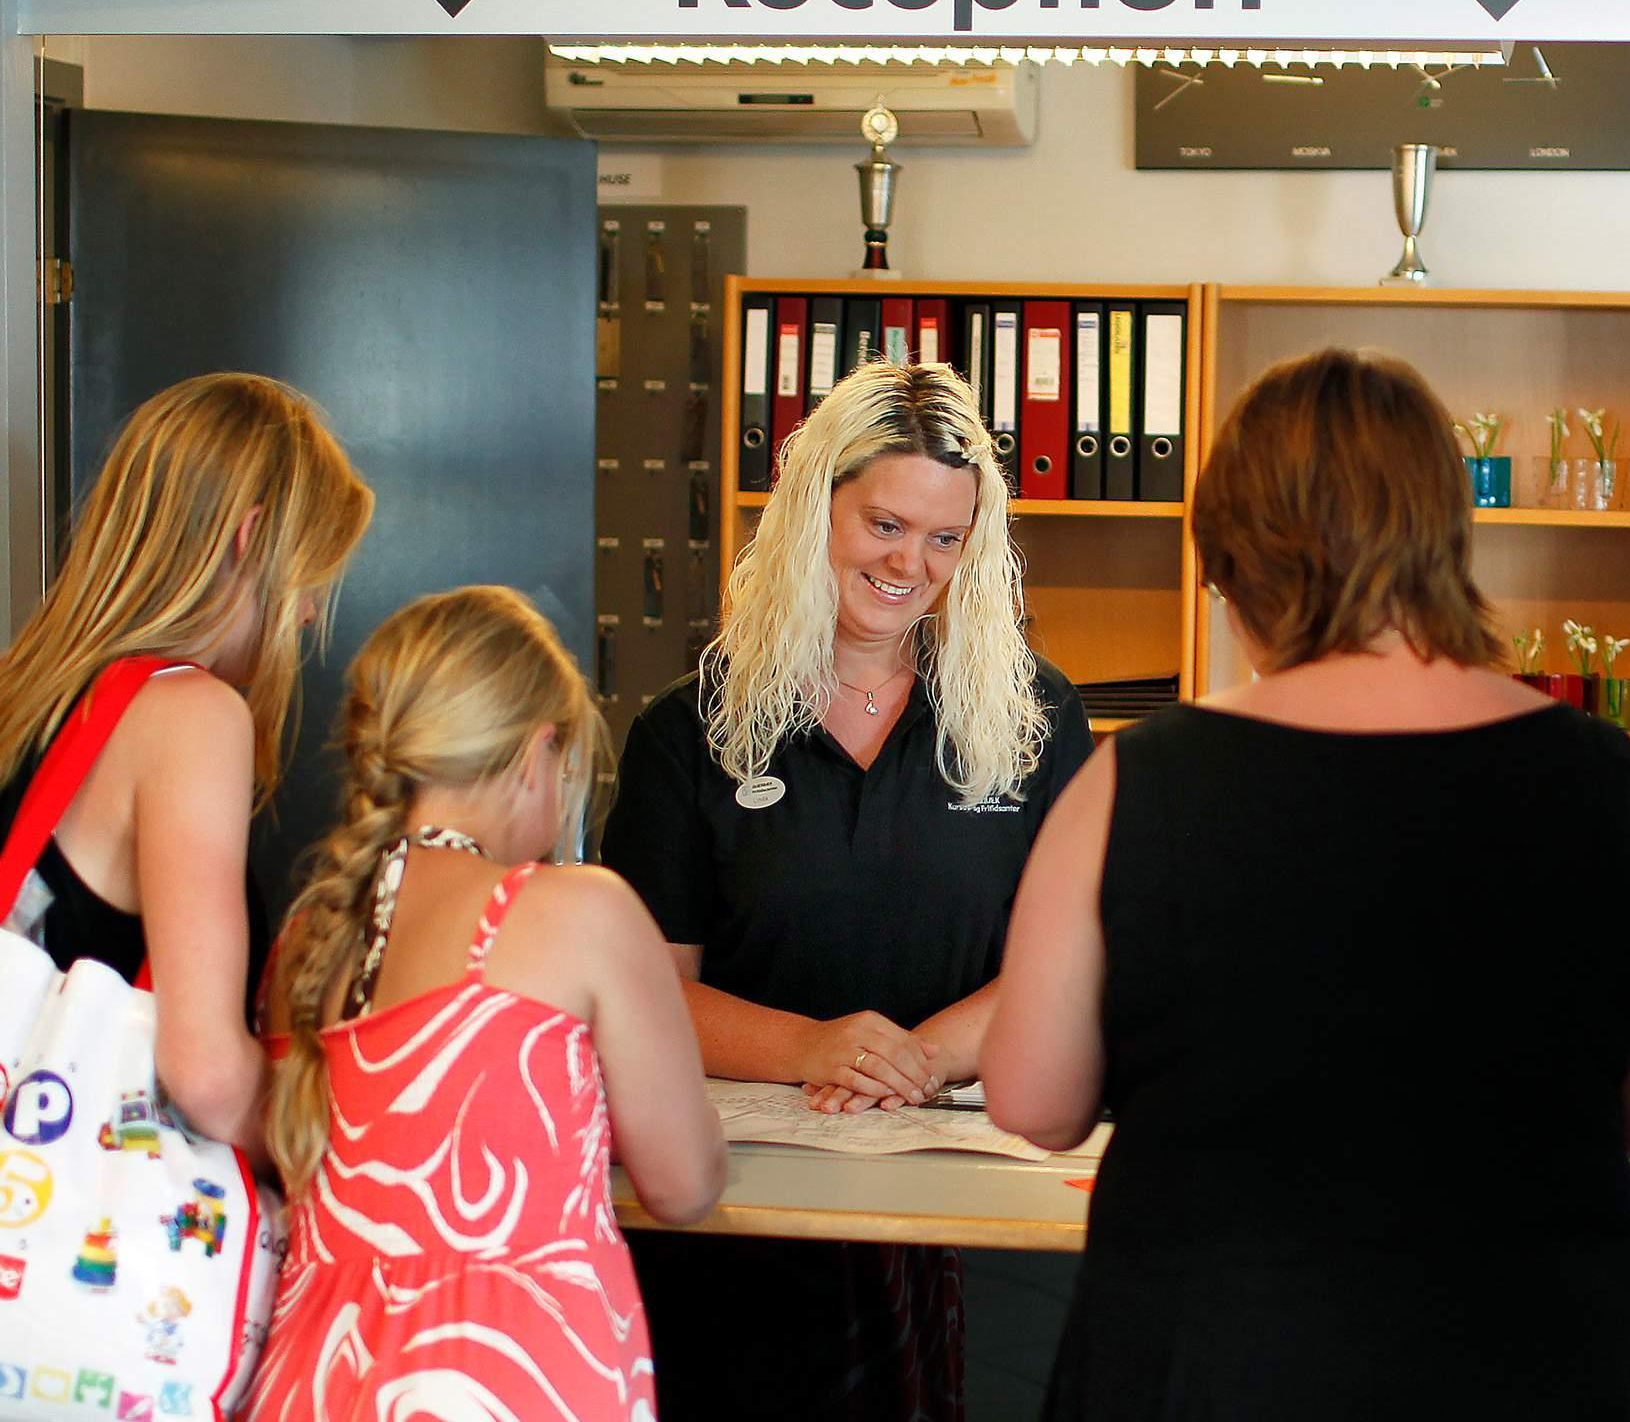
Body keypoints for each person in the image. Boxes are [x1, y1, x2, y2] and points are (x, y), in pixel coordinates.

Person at [983, 347, 1630, 1420]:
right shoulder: (1623, 783)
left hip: (1211, 1365)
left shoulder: (1132, 782)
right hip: (1537, 1365)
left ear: (1236, 558)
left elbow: (1033, 1101)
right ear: (1444, 537)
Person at [602, 360, 1094, 1420]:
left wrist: (923, 1059)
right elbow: (644, 991)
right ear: (811, 510)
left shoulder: (1037, 720)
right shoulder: (686, 732)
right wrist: (809, 1048)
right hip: (745, 1218)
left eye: (945, 538)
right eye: (884, 525)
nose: (910, 564)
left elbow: (1072, 965)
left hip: (968, 1211)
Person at [248, 585, 725, 1422]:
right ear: (539, 752)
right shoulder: (579, 910)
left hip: (311, 1375)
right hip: (503, 1376)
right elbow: (684, 1185)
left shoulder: (305, 942)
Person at [0, 372, 372, 1153]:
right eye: (311, 577)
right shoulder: (190, 714)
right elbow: (205, 1074)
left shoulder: (27, 696)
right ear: (250, 538)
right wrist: (348, 1157)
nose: (309, 613)